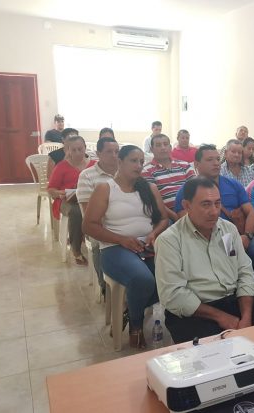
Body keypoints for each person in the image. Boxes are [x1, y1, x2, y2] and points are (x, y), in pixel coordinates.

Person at [155, 177, 254, 344]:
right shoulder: (169, 241)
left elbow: (244, 271)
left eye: (217, 203)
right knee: (219, 351)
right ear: (187, 206)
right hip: (195, 311)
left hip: (234, 302)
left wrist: (246, 316)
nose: (214, 211)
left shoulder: (228, 230)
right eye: (206, 204)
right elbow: (173, 294)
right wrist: (222, 317)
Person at [83, 145, 169, 348]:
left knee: (169, 277)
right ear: (120, 162)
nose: (138, 165)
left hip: (146, 245)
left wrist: (153, 234)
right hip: (115, 248)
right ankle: (136, 325)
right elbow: (88, 226)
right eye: (133, 161)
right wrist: (122, 240)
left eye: (141, 162)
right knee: (143, 280)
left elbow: (164, 219)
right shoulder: (105, 189)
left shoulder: (149, 188)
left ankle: (129, 311)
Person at [175, 145, 254, 251]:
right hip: (205, 242)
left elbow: (251, 212)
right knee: (230, 257)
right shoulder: (186, 191)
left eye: (218, 159)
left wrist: (247, 236)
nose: (216, 163)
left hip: (239, 234)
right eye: (210, 160)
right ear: (196, 164)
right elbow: (188, 225)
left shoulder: (233, 184)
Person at [77, 137, 120, 292]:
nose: (114, 155)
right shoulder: (87, 176)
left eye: (117, 151)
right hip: (99, 226)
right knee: (99, 243)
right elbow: (88, 212)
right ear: (98, 153)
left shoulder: (125, 172)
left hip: (124, 222)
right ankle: (106, 288)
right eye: (109, 152)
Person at [48, 136, 95, 265]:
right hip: (67, 201)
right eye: (73, 150)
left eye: (80, 149)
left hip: (90, 200)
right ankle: (76, 249)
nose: (77, 153)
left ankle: (95, 242)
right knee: (77, 212)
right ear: (68, 151)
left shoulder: (94, 165)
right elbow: (51, 189)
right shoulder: (62, 166)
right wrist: (60, 193)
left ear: (85, 148)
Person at [142, 134, 195, 222]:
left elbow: (196, 189)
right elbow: (153, 200)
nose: (163, 148)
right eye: (158, 145)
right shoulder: (146, 170)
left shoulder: (185, 165)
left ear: (170, 147)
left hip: (191, 209)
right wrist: (175, 217)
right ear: (152, 149)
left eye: (165, 144)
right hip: (168, 215)